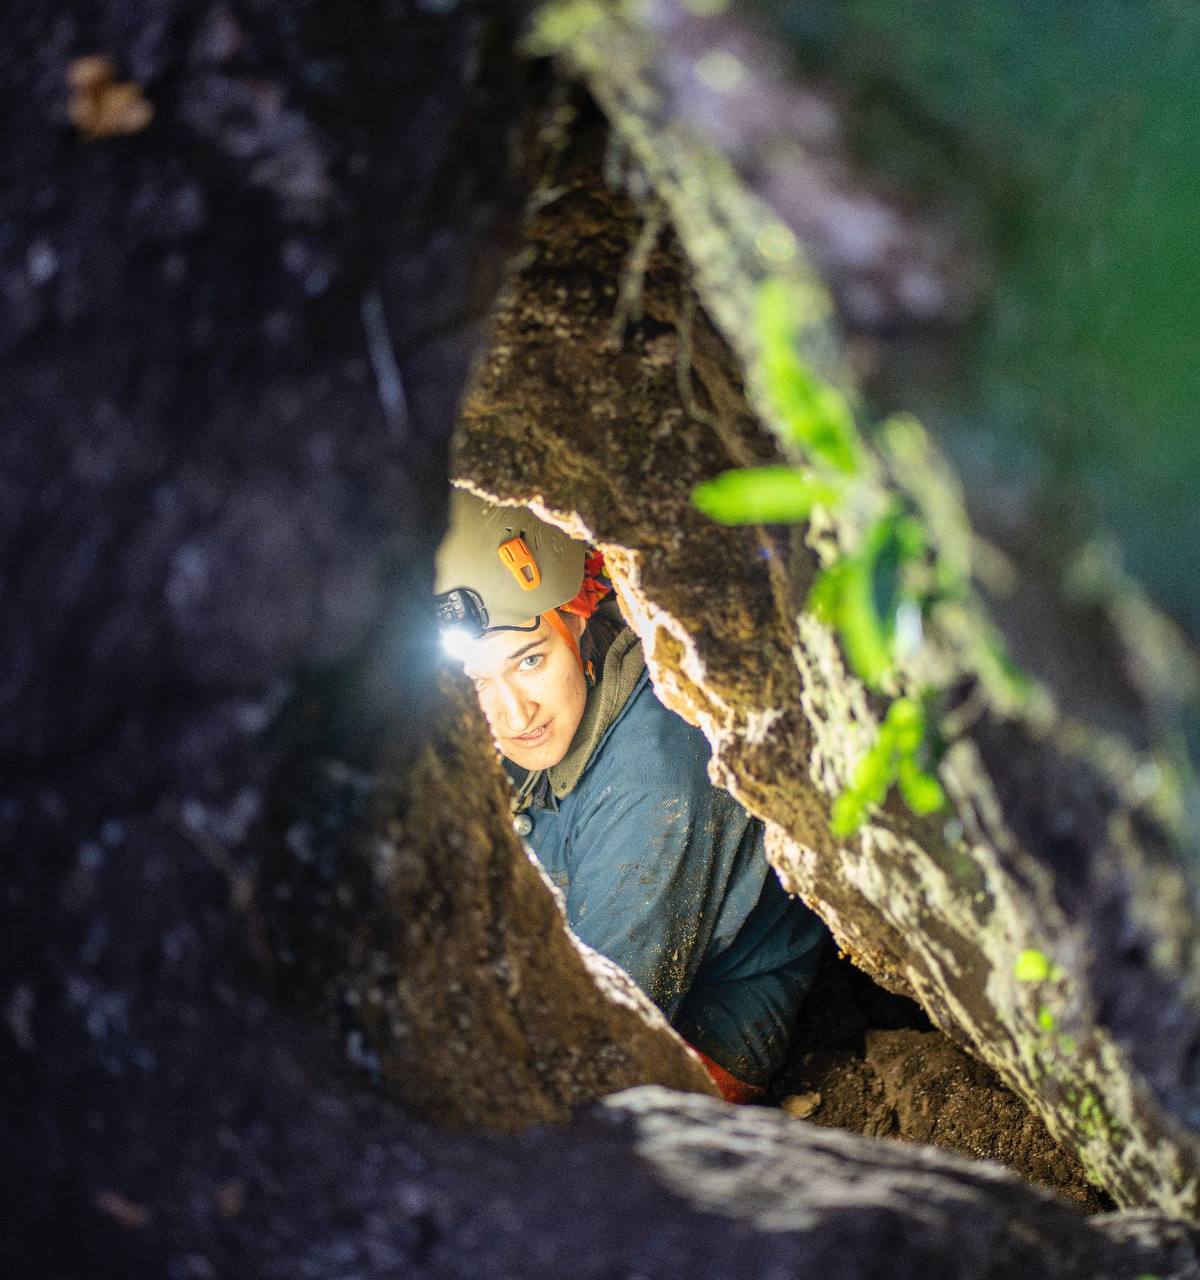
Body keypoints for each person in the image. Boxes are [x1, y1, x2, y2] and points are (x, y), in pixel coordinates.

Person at [434, 489, 827, 1101]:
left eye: (531, 661)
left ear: (579, 620)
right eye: (479, 681)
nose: (512, 713)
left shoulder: (656, 782)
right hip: (580, 914)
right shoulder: (546, 716)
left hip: (705, 1030)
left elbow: (591, 1038)